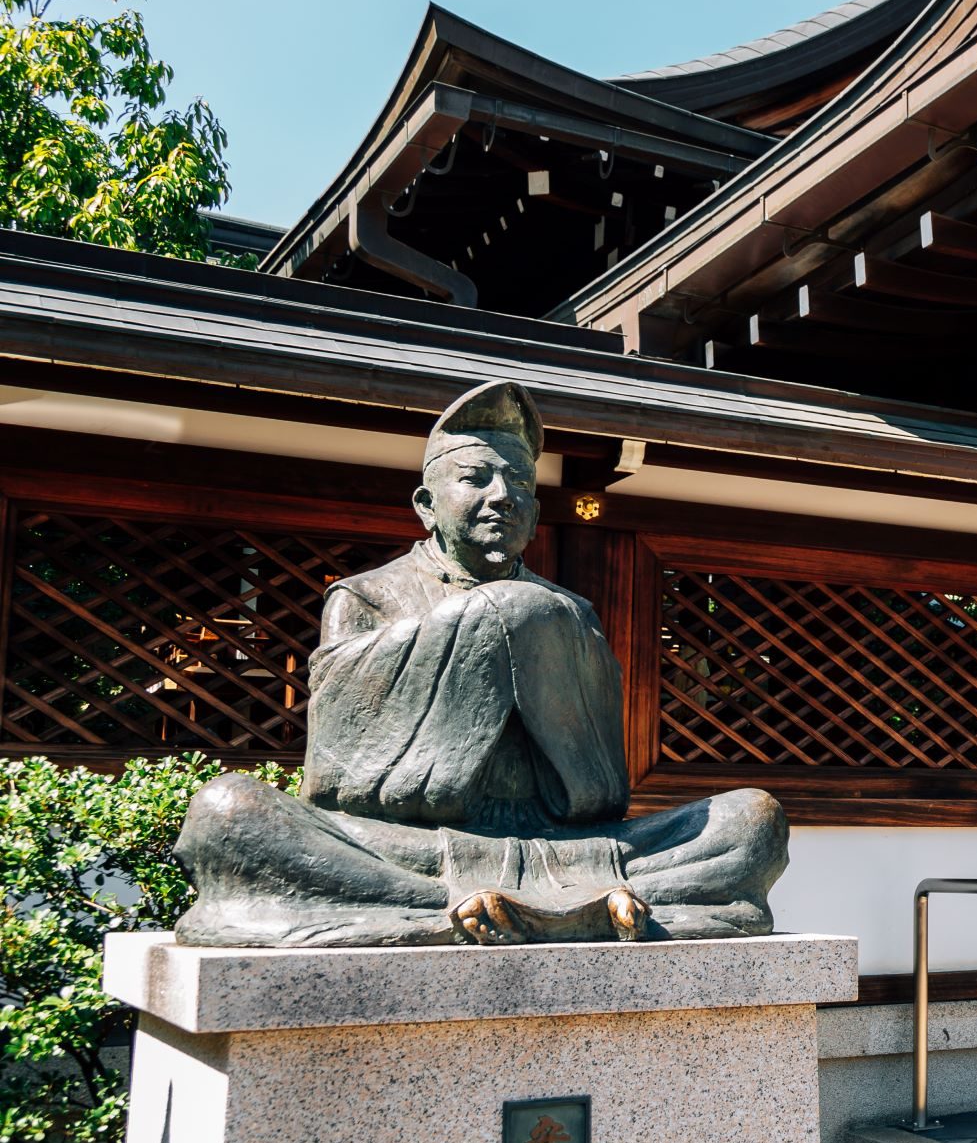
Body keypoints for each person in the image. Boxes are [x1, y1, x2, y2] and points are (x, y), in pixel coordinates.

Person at [174, 382, 788, 946]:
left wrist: (535, 632)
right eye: (476, 478)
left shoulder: (567, 611)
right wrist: (490, 622)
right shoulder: (365, 599)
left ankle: (489, 908)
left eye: (520, 482)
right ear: (426, 503)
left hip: (572, 849)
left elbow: (599, 788)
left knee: (752, 819)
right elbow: (341, 778)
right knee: (229, 815)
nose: (503, 496)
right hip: (410, 850)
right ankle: (469, 906)